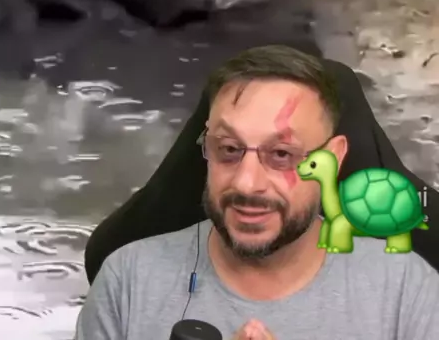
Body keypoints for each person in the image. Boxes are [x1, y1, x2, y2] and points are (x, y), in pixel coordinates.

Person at [76, 45, 439, 340]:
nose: (246, 183)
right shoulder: (128, 280)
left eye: (281, 154)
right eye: (229, 149)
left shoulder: (406, 291)